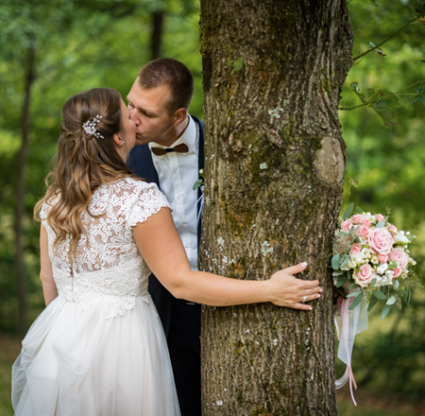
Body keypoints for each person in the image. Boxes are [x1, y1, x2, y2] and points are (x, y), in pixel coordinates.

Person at [11, 87, 321, 416]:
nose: (135, 118)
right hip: (122, 343)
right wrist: (269, 290)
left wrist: (67, 330)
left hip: (61, 337)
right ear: (117, 137)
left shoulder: (55, 201)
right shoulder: (138, 199)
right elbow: (180, 282)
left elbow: (49, 279)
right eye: (127, 113)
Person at [127, 58, 205, 416]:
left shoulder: (226, 147)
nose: (132, 119)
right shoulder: (123, 160)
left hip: (227, 305)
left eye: (145, 112)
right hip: (162, 315)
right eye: (130, 105)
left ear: (177, 116)